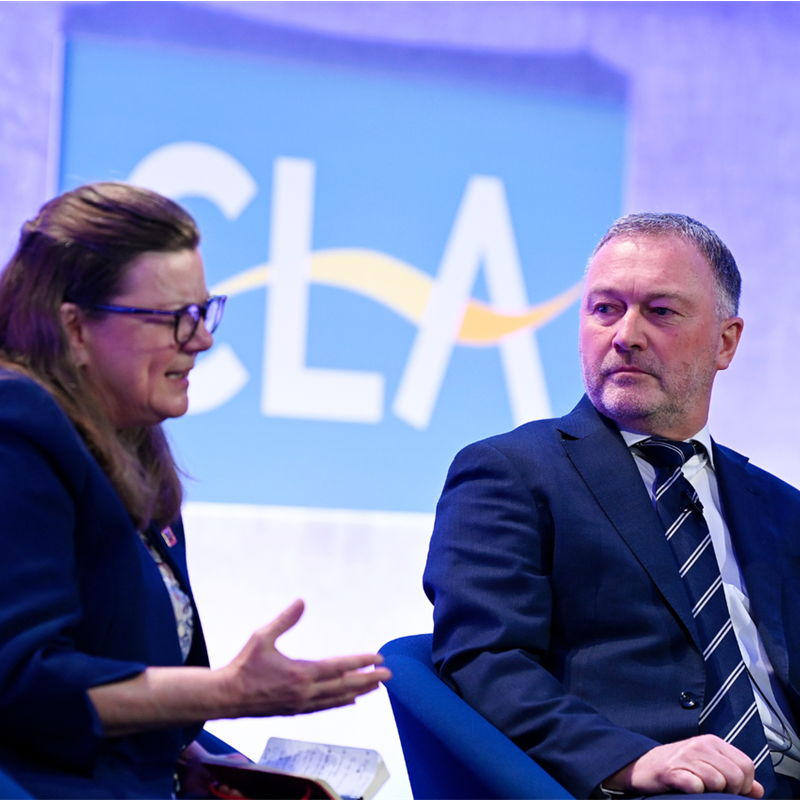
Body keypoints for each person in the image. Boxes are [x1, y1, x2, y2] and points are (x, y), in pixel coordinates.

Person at [0, 182, 391, 798]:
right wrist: (228, 692)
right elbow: (22, 683)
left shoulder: (132, 442)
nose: (201, 339)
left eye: (203, 311)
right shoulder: (17, 431)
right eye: (171, 319)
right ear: (74, 327)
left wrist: (210, 763)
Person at [423, 213, 800, 799]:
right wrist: (630, 761)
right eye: (605, 308)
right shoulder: (511, 472)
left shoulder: (780, 507)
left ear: (726, 342)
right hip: (663, 786)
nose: (626, 335)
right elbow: (484, 659)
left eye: (661, 311)